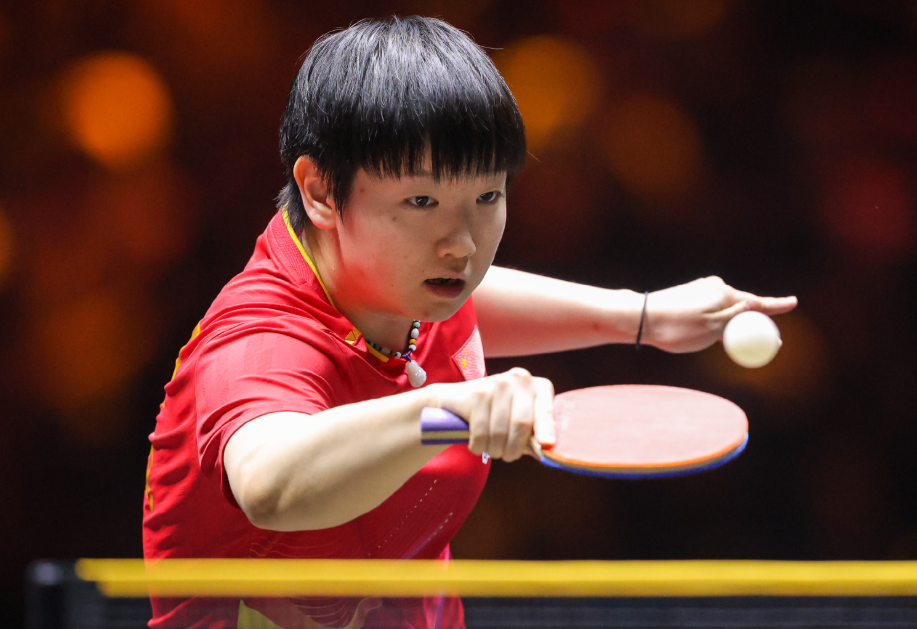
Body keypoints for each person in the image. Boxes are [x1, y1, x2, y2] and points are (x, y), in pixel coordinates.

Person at [142, 16, 797, 629]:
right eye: (421, 200)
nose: (461, 244)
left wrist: (642, 316)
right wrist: (443, 410)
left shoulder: (402, 283)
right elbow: (270, 483)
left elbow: (464, 307)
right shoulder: (256, 342)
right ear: (319, 190)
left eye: (486, 195)